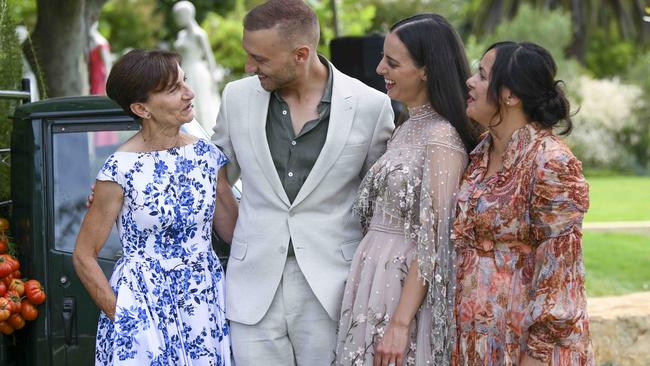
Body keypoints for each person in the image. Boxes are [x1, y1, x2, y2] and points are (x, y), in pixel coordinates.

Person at [211, 0, 394, 364]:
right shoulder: (236, 97)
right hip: (252, 287)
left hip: (333, 288)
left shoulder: (371, 106)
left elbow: (381, 206)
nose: (250, 67)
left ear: (301, 54)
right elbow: (212, 175)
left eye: (260, 59)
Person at [73, 49, 238, 365]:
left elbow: (234, 231)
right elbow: (83, 255)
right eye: (174, 89)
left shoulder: (207, 156)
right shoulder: (119, 169)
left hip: (204, 302)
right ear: (141, 108)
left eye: (185, 82)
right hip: (142, 306)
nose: (188, 94)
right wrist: (121, 316)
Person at [334, 14, 479, 366]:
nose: (380, 68)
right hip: (371, 281)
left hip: (402, 292)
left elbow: (436, 239)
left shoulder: (442, 137)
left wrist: (400, 323)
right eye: (383, 57)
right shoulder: (406, 127)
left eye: (393, 62)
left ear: (427, 70)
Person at [452, 41, 594, 366]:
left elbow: (562, 278)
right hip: (475, 341)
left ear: (511, 95)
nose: (470, 82)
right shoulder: (479, 157)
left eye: (483, 75)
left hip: (525, 350)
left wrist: (537, 356)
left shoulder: (551, 162)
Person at [173, 0, 221, 133]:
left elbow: (210, 57)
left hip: (198, 71)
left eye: (179, 15)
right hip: (183, 71)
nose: (177, 19)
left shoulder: (199, 34)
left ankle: (206, 133)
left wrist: (214, 79)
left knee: (201, 102)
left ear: (187, 14)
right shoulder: (181, 35)